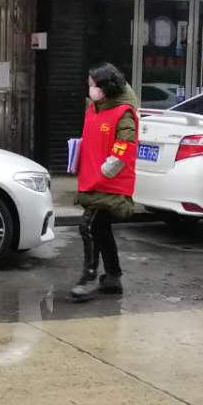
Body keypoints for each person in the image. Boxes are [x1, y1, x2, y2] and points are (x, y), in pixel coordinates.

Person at [72, 62, 139, 302]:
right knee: (101, 230)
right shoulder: (94, 108)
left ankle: (89, 277)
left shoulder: (123, 112)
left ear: (105, 87)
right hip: (93, 178)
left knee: (89, 227)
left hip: (111, 182)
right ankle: (113, 277)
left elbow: (126, 143)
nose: (90, 89)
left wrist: (112, 163)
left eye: (93, 85)